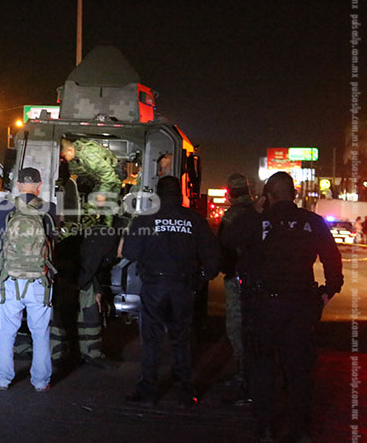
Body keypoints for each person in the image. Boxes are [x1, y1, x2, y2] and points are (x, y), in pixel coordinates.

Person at [223, 171, 343, 441]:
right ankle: (300, 429)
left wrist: (253, 212)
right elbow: (332, 262)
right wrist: (327, 293)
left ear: (267, 196)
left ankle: (264, 426)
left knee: (262, 367)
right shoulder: (312, 222)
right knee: (299, 371)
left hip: (262, 306)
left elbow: (229, 243)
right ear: (295, 194)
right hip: (300, 307)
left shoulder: (258, 221)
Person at [122, 176, 219, 406]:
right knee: (181, 339)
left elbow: (130, 253)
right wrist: (202, 278)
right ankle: (184, 392)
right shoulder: (194, 220)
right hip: (183, 286)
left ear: (157, 194)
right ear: (180, 193)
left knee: (151, 340)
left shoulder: (145, 219)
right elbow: (213, 257)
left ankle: (148, 392)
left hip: (154, 285)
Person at [58, 137, 122, 368]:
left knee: (96, 222)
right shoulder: (78, 157)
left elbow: (110, 178)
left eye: (64, 155)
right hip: (98, 190)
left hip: (107, 190)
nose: (64, 159)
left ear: (71, 150)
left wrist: (100, 201)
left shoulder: (88, 153)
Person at [0, 167, 57, 392]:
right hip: (39, 280)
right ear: (39, 186)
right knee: (40, 334)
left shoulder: (4, 208)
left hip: (10, 279)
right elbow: (52, 242)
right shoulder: (50, 209)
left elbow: (1, 240)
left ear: (18, 185)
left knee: (7, 331)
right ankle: (40, 382)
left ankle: (2, 379)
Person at [217, 173, 256, 395]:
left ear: (230, 192)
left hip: (237, 278)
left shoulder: (231, 217)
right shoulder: (259, 213)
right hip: (258, 280)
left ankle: (244, 375)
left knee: (236, 327)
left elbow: (223, 250)